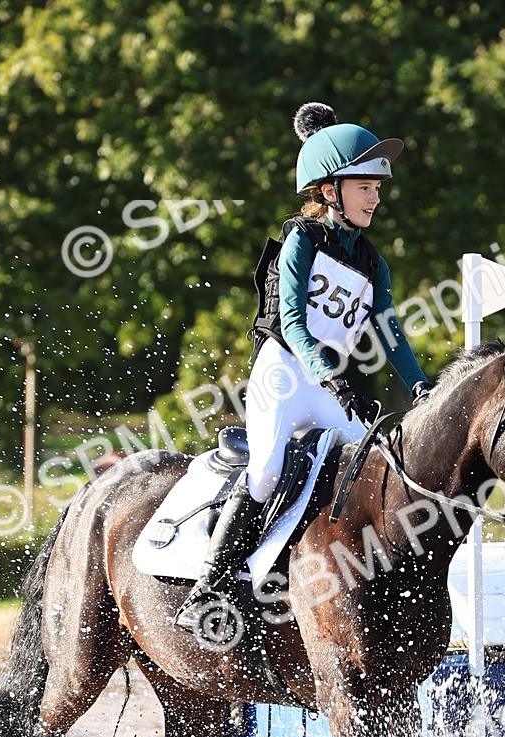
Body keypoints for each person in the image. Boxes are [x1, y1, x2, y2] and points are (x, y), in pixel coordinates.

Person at [175, 101, 430, 633]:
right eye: (366, 187)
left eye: (378, 188)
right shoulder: (302, 240)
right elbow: (292, 321)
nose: (376, 197)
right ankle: (210, 587)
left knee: (373, 465)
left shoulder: (372, 261)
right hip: (286, 374)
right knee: (267, 467)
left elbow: (389, 332)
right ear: (330, 190)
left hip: (326, 383)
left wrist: (423, 386)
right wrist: (331, 375)